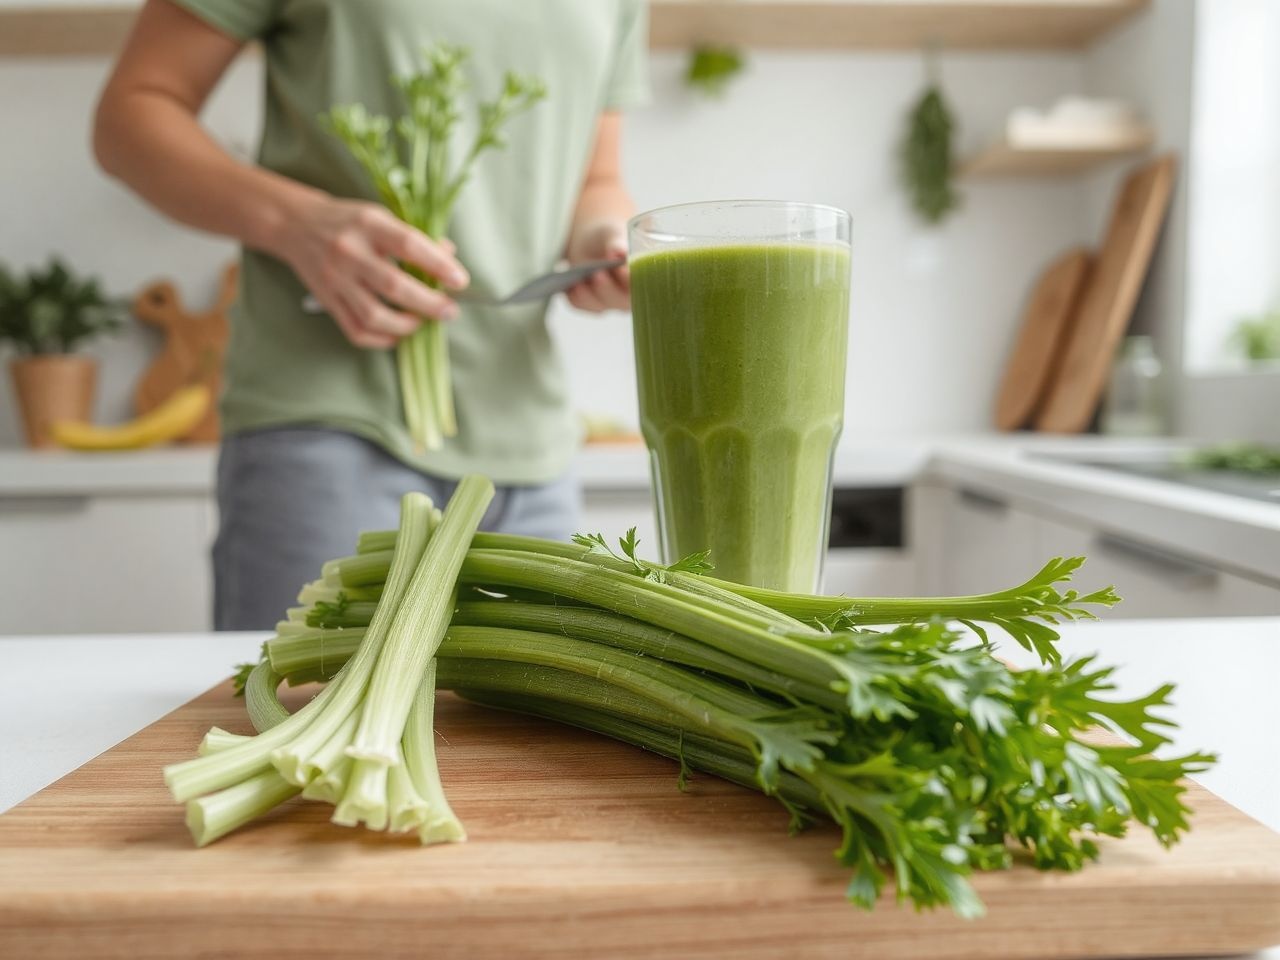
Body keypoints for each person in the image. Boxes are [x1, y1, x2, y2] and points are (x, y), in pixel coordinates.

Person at [93, 0, 648, 630]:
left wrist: (604, 235)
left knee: (537, 699)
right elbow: (132, 113)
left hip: (532, 446)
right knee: (304, 691)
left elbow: (597, 176)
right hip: (326, 432)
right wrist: (297, 223)